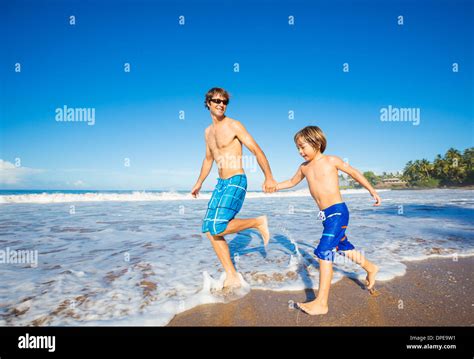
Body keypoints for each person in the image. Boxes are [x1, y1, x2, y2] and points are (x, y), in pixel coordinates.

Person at [275, 125, 381, 315]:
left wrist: (371, 190)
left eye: (302, 147)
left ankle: (321, 303)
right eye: (297, 148)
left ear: (317, 142)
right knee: (342, 246)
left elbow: (354, 172)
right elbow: (291, 182)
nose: (300, 152)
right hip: (326, 216)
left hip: (338, 212)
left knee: (324, 251)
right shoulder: (304, 168)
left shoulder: (331, 160)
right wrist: (274, 186)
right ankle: (371, 267)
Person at [191, 87, 277, 290]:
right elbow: (208, 159)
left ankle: (257, 222)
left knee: (218, 226)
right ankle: (232, 275)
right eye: (216, 101)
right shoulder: (207, 132)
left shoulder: (234, 125)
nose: (221, 104)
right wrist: (199, 182)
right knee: (210, 230)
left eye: (224, 102)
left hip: (236, 179)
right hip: (220, 184)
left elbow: (256, 149)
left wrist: (269, 177)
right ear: (208, 103)